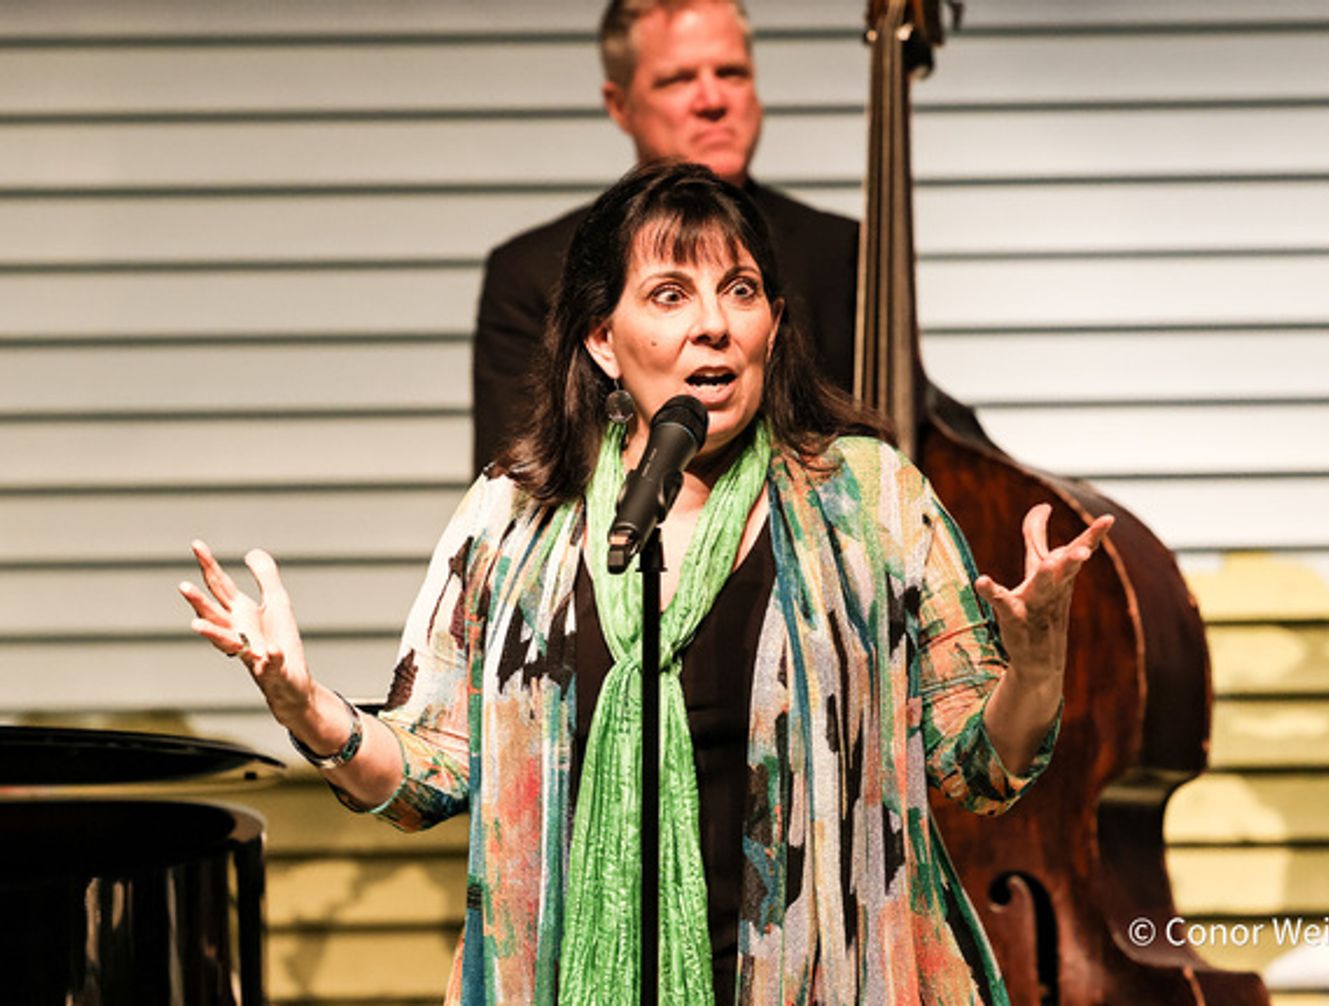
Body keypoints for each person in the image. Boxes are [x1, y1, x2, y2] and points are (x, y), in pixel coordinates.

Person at [180, 163, 1112, 1005]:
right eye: (670, 293)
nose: (714, 320)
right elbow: (430, 771)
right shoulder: (511, 522)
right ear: (601, 340)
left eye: (740, 291)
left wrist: (1032, 669)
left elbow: (980, 768)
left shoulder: (869, 501)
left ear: (773, 326)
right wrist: (308, 709)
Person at [472, 0, 859, 469]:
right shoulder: (530, 271)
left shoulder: (844, 251)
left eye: (731, 72)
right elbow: (522, 476)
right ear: (620, 105)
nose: (713, 100)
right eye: (678, 79)